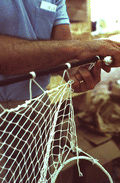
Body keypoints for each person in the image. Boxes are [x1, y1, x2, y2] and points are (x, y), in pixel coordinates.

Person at [0, 0, 120, 182]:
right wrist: (82, 48)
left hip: (36, 107)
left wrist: (76, 71)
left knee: (35, 176)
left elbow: (64, 55)